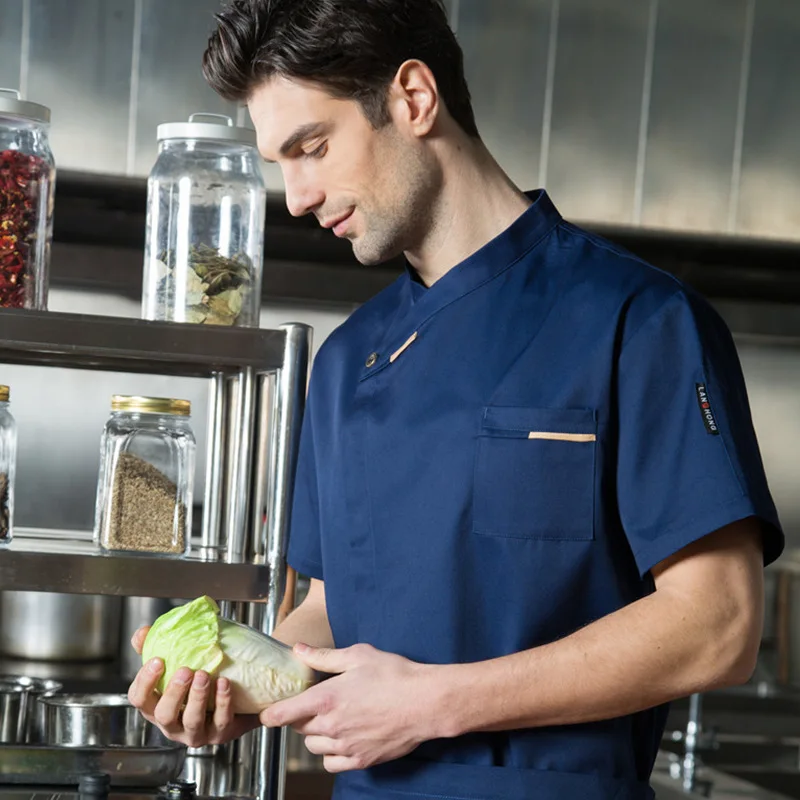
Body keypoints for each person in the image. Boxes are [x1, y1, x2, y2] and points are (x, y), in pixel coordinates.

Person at [128, 1, 784, 798]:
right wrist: (242, 683)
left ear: (413, 98)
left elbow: (718, 626)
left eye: (313, 147)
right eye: (281, 165)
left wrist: (434, 705)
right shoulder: (345, 362)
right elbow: (333, 612)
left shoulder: (639, 322)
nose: (296, 197)